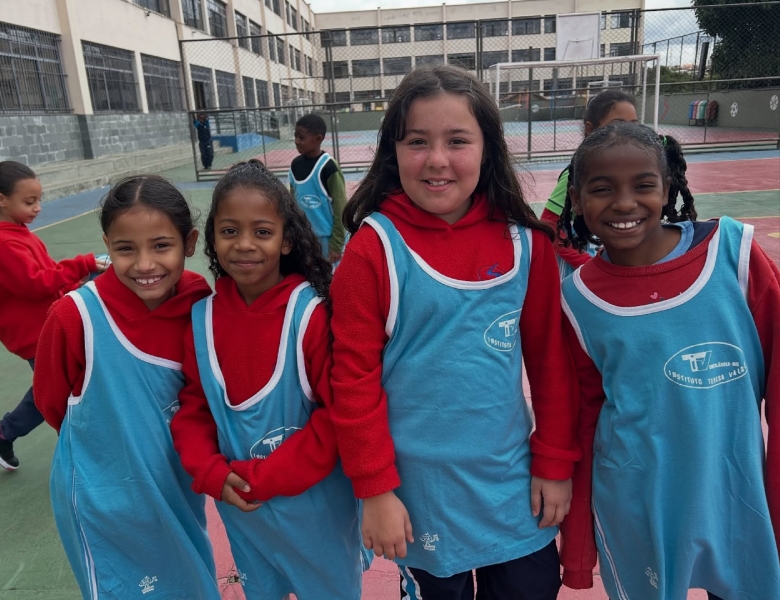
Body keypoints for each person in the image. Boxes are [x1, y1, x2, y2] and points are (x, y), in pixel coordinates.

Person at [329, 64, 580, 600]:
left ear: (487, 148)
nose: (437, 159)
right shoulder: (373, 250)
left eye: (457, 141)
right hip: (418, 497)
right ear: (393, 151)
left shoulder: (526, 244)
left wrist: (556, 461)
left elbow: (551, 363)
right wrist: (375, 489)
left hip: (512, 488)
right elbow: (352, 381)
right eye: (417, 141)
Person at [558, 122, 780, 599]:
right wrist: (577, 547)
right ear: (576, 199)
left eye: (643, 185)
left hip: (736, 497)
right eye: (602, 189)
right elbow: (585, 419)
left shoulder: (734, 255)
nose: (624, 203)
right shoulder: (577, 300)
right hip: (637, 506)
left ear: (667, 188)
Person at [170, 163, 367, 600]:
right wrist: (210, 472)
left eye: (261, 232)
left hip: (316, 519)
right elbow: (194, 409)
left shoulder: (310, 315)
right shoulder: (201, 320)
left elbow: (337, 417)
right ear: (212, 239)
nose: (244, 244)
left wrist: (263, 477)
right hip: (244, 514)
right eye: (229, 231)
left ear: (286, 239)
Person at [33, 175, 218, 599]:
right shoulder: (75, 316)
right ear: (107, 245)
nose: (145, 264)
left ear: (189, 243)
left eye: (161, 245)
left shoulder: (198, 302)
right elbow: (52, 404)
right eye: (125, 249)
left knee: (192, 585)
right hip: (105, 501)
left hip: (174, 488)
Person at [0, 161, 105, 471]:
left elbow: (47, 275)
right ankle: (11, 434)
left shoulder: (19, 233)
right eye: (29, 201)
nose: (37, 207)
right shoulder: (3, 243)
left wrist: (74, 285)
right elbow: (36, 283)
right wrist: (82, 264)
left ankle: (3, 434)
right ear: (1, 200)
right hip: (35, 333)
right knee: (58, 391)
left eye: (38, 199)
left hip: (47, 325)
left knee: (56, 386)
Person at [540, 89, 638, 279]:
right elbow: (550, 225)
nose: (628, 133)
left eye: (634, 125)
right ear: (591, 129)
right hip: (579, 271)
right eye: (618, 124)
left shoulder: (635, 174)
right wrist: (586, 263)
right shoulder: (576, 175)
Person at [289, 113, 347, 264]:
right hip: (303, 239)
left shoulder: (329, 168)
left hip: (327, 242)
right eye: (295, 136)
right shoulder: (295, 165)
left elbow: (340, 208)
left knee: (328, 277)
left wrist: (336, 244)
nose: (296, 141)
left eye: (301, 137)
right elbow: (291, 203)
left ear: (318, 139)